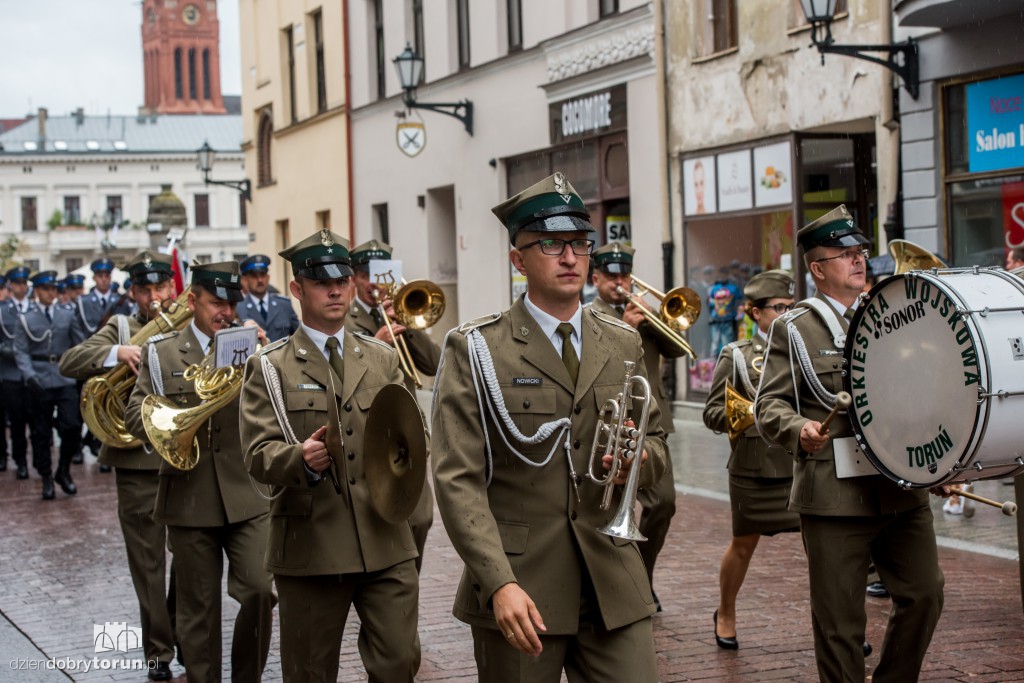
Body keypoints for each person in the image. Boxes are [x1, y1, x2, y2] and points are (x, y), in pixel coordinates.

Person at [431, 173, 668, 681]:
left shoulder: (623, 342)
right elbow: (457, 480)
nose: (570, 258)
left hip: (611, 573)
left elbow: (657, 441)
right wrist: (498, 583)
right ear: (518, 260)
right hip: (523, 584)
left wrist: (640, 461)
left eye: (580, 244)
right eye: (552, 244)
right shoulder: (477, 347)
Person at [755, 205, 946, 681]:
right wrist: (797, 428)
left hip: (900, 485)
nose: (858, 260)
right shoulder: (795, 327)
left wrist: (941, 461)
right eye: (843, 254)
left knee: (925, 594)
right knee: (840, 622)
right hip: (835, 493)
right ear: (818, 268)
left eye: (859, 251)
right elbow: (768, 406)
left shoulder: (894, 312)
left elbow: (922, 393)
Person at [240, 229, 421, 682]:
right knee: (309, 672)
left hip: (384, 540)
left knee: (399, 661)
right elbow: (258, 455)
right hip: (312, 545)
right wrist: (299, 459)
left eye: (342, 279)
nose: (336, 289)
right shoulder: (270, 365)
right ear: (298, 290)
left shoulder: (382, 357)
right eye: (322, 282)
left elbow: (413, 434)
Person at [125, 261, 274, 683]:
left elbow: (270, 408)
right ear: (192, 302)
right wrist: (173, 423)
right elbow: (136, 415)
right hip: (189, 496)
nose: (224, 312)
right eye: (215, 303)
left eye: (230, 303)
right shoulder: (161, 351)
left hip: (247, 493)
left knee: (261, 590)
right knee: (198, 608)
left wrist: (265, 354)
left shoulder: (248, 344)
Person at [59, 251, 179, 680]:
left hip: (189, 459)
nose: (153, 297)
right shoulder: (122, 325)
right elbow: (69, 361)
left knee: (190, 557)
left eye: (159, 288)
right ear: (132, 292)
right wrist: (116, 351)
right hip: (138, 461)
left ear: (171, 287)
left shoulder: (192, 321)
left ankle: (177, 625)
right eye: (144, 290)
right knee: (148, 563)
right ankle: (159, 652)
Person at [703, 269, 799, 649]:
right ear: (753, 312)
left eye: (792, 307)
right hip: (753, 468)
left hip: (798, 463)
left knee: (826, 545)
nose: (787, 314)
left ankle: (838, 622)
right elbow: (711, 413)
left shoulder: (803, 349)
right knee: (743, 545)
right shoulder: (736, 355)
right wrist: (748, 415)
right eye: (778, 307)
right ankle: (726, 610)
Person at [586, 241, 685, 608]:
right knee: (606, 504)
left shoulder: (644, 313)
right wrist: (621, 327)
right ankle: (615, 581)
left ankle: (643, 573)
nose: (619, 282)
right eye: (611, 276)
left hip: (651, 421)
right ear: (595, 278)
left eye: (624, 275)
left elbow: (678, 350)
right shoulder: (590, 316)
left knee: (665, 503)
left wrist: (656, 318)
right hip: (609, 422)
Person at [345, 238, 441, 572]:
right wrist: (376, 341)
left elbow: (433, 364)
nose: (375, 283)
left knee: (421, 518)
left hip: (405, 427)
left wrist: (406, 324)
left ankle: (402, 596)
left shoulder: (400, 310)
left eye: (381, 274)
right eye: (367, 275)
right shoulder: (345, 317)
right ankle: (390, 605)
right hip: (369, 429)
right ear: (355, 279)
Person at [13, 271, 86, 499]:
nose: (50, 293)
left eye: (54, 289)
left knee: (73, 425)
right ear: (36, 291)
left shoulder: (67, 314)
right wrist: (29, 375)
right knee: (40, 432)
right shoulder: (25, 318)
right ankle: (46, 476)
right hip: (39, 379)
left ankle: (63, 470)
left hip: (64, 377)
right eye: (46, 289)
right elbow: (21, 350)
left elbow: (79, 344)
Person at [1, 266, 32, 479]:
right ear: (11, 285)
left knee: (36, 422)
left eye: (24, 283)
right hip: (10, 373)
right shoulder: (3, 311)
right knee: (15, 421)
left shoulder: (36, 308)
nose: (21, 287)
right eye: (17, 283)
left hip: (33, 373)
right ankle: (17, 459)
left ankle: (36, 463)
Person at [236, 254, 300, 341]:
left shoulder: (284, 305)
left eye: (262, 274)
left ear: (268, 277)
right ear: (244, 280)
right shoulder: (238, 308)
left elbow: (299, 336)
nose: (260, 280)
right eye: (254, 276)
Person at [78, 257, 133, 335]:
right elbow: (78, 330)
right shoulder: (83, 301)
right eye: (100, 276)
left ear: (110, 278)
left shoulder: (121, 301)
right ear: (94, 278)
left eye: (106, 276)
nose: (104, 279)